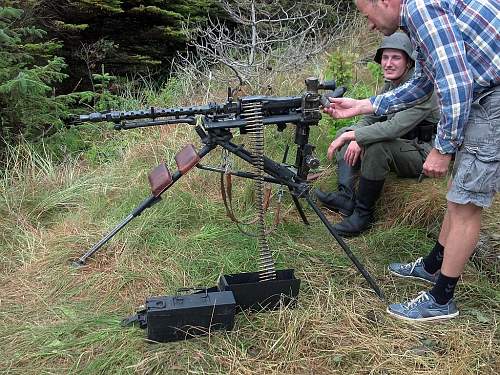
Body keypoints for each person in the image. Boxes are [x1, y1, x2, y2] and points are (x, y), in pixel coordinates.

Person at [324, 0, 499, 321]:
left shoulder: (421, 8)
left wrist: (443, 147)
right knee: (459, 197)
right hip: (485, 97)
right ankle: (434, 265)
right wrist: (362, 105)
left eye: (367, 16)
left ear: (385, 2)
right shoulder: (419, 18)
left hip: (492, 100)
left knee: (467, 203)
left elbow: (456, 83)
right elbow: (423, 83)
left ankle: (441, 299)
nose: (370, 26)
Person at [316, 31, 439, 237]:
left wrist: (359, 137)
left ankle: (364, 215)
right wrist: (354, 132)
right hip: (399, 144)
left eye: (396, 57)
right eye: (385, 57)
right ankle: (346, 197)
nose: (388, 63)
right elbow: (372, 116)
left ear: (409, 62)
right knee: (346, 131)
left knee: (375, 147)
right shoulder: (392, 84)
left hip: (423, 152)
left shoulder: (422, 89)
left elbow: (395, 127)